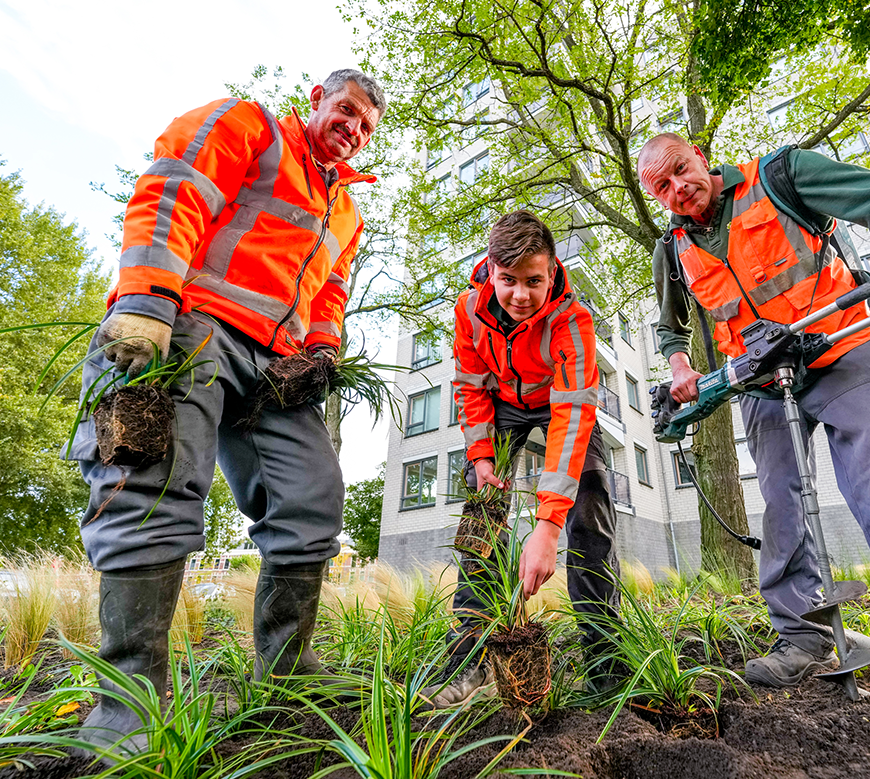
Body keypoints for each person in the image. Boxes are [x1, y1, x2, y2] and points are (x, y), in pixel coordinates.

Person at [637, 133, 870, 715]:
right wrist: (679, 362)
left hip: (841, 353)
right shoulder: (674, 247)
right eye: (661, 186)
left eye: (681, 171)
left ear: (697, 156)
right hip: (760, 379)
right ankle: (805, 635)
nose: (677, 189)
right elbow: (672, 325)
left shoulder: (781, 177)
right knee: (781, 505)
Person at [64, 69, 385, 752]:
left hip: (273, 368)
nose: (353, 129)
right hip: (192, 326)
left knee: (312, 496)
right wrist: (147, 299)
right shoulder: (251, 127)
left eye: (366, 127)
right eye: (347, 111)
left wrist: (321, 354)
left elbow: (328, 295)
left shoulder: (347, 213)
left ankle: (288, 668)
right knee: (151, 480)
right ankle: (127, 702)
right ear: (317, 102)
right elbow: (176, 187)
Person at [422, 210, 621, 707]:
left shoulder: (573, 319)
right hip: (504, 409)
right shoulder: (469, 310)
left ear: (552, 272)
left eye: (534, 281)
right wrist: (481, 455)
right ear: (490, 270)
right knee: (481, 518)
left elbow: (573, 415)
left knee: (590, 504)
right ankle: (469, 657)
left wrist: (547, 526)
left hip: (561, 403)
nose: (520, 296)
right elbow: (469, 386)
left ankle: (606, 661)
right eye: (508, 280)